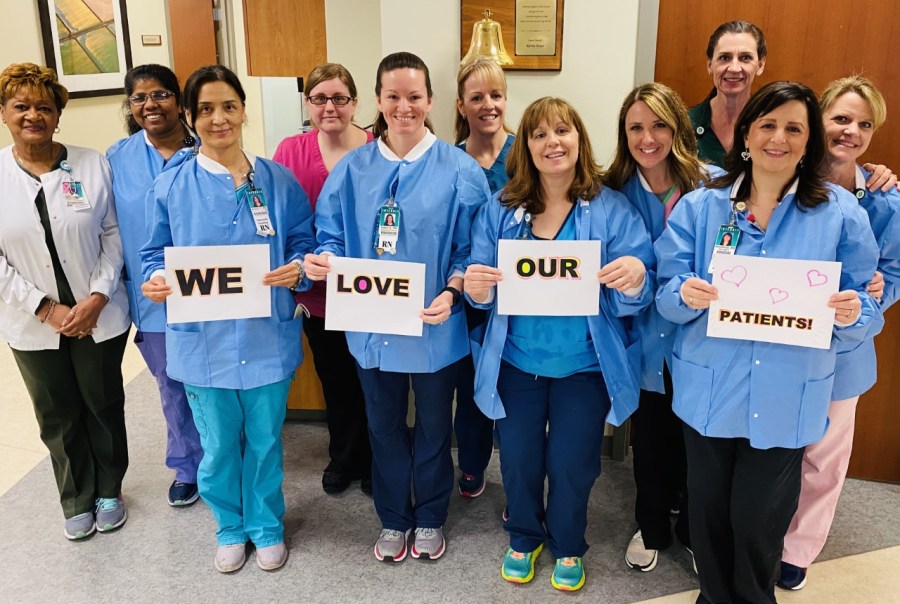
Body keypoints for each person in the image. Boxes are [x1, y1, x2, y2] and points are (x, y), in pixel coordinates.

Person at [655, 81, 882, 603]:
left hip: (788, 395)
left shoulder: (841, 213)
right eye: (768, 125)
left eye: (794, 128)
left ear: (809, 141)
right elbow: (665, 295)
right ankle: (713, 596)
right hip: (710, 390)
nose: (779, 138)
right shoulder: (701, 207)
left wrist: (853, 312)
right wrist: (683, 294)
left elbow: (865, 306)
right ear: (746, 135)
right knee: (709, 514)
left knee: (760, 519)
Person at [303, 51, 490, 563]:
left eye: (414, 96)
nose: (403, 107)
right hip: (372, 327)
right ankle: (392, 517)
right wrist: (327, 259)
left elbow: (474, 249)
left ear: (430, 101)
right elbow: (330, 233)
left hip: (436, 326)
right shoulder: (353, 169)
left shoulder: (460, 170)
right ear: (378, 101)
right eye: (393, 96)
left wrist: (453, 291)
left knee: (433, 427)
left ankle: (429, 514)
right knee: (382, 425)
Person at [465, 97, 654, 591]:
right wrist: (476, 288)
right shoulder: (502, 208)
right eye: (540, 134)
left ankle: (568, 542)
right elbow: (479, 283)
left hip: (584, 366)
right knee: (518, 459)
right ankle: (524, 536)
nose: (553, 142)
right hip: (517, 361)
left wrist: (636, 275)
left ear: (579, 140)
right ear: (525, 146)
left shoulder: (612, 208)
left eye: (563, 131)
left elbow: (639, 289)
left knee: (574, 464)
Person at [140, 65, 315, 573]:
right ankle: (230, 527)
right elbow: (152, 253)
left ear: (243, 111)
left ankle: (266, 525)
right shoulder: (171, 185)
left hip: (266, 338)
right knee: (217, 446)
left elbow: (303, 241)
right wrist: (157, 278)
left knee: (265, 441)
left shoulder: (276, 180)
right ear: (190, 116)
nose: (219, 119)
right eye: (206, 109)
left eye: (229, 107)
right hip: (203, 343)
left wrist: (298, 267)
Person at [0, 62, 131, 540]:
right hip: (30, 321)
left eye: (45, 107)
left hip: (98, 313)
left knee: (102, 402)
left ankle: (109, 489)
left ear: (58, 116)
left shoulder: (91, 163)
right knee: (56, 412)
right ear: (3, 113)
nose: (33, 115)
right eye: (21, 106)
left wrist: (97, 295)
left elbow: (114, 233)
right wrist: (43, 307)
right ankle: (76, 496)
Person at [779, 76, 900, 591]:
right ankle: (762, 534)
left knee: (824, 458)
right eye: (842, 119)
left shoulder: (885, 198)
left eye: (864, 124)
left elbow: (893, 272)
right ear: (818, 120)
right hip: (781, 341)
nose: (852, 131)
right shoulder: (782, 177)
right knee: (773, 451)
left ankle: (797, 550)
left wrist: (874, 295)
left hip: (844, 351)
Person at [604, 82, 713, 572]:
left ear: (679, 129)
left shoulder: (714, 187)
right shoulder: (611, 192)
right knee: (650, 439)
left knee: (698, 442)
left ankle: (693, 529)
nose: (647, 138)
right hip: (642, 336)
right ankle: (650, 526)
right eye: (636, 128)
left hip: (699, 335)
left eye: (659, 125)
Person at [272, 63, 374, 496]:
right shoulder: (289, 152)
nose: (329, 107)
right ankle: (345, 456)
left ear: (355, 103)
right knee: (335, 378)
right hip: (316, 291)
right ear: (307, 103)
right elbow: (277, 216)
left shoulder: (378, 149)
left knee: (374, 380)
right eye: (319, 98)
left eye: (339, 98)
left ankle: (378, 460)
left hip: (370, 290)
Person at [106, 63, 204, 508]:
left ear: (178, 100)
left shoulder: (207, 147)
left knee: (213, 381)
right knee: (171, 383)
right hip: (153, 298)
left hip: (209, 289)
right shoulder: (116, 160)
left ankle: (224, 458)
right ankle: (187, 466)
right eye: (139, 97)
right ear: (130, 106)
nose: (151, 104)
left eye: (161, 94)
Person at [452, 57, 515, 499]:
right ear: (461, 106)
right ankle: (472, 464)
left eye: (496, 95)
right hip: (468, 293)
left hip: (521, 294)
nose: (488, 105)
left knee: (516, 394)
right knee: (470, 385)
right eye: (477, 97)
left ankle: (517, 479)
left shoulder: (528, 153)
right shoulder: (449, 161)